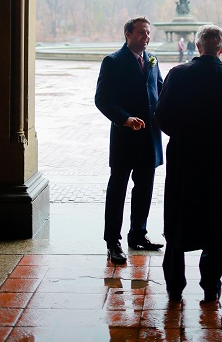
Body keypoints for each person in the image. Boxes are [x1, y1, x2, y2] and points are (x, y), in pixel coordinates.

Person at [154, 25, 222, 303]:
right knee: (216, 221)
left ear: (197, 47)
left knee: (177, 220)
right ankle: (211, 285)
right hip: (220, 160)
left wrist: (185, 133)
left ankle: (175, 286)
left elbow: (162, 117)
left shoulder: (177, 75)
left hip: (184, 159)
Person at [95, 16, 164, 265]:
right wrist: (125, 119)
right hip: (125, 136)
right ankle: (113, 242)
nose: (146, 37)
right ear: (128, 34)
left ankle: (138, 235)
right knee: (118, 190)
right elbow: (102, 99)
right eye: (142, 33)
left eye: (148, 33)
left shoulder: (153, 61)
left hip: (150, 136)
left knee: (145, 188)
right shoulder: (113, 62)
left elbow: (161, 90)